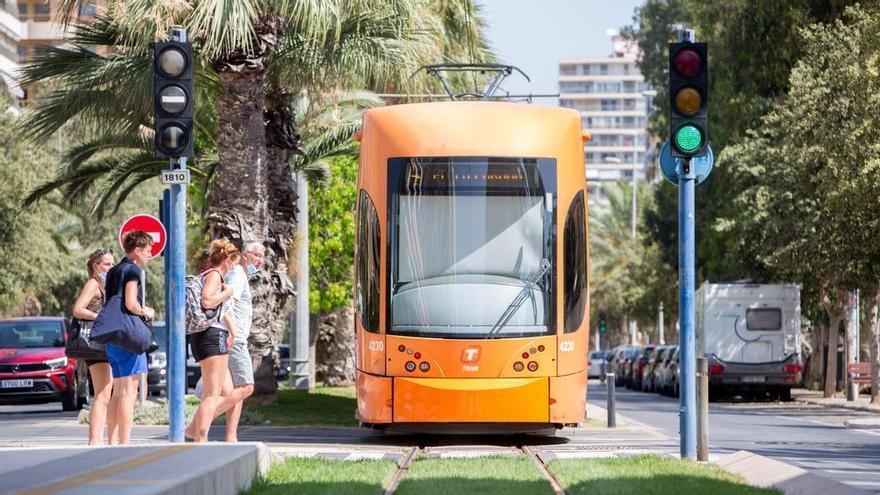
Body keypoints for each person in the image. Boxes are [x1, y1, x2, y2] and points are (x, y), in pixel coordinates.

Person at [208, 241, 264, 441]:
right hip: (235, 339)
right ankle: (200, 423)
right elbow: (226, 304)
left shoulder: (240, 276)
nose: (260, 260)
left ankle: (231, 436)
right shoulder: (238, 275)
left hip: (233, 338)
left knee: (234, 391)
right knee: (246, 387)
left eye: (262, 256)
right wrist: (233, 332)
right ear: (245, 254)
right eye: (257, 255)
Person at [104, 231, 155, 445]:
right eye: (148, 250)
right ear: (137, 250)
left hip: (112, 336)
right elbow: (131, 303)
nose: (150, 255)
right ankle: (125, 442)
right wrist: (147, 312)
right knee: (128, 393)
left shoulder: (114, 270)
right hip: (129, 338)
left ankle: (113, 440)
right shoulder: (132, 271)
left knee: (117, 391)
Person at [186, 238, 239, 442]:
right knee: (212, 393)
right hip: (212, 335)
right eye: (234, 261)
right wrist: (227, 293)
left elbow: (221, 312)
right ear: (227, 260)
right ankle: (200, 438)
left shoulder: (209, 275)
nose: (234, 266)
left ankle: (195, 431)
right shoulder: (215, 275)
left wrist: (232, 333)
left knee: (227, 392)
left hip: (207, 335)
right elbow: (207, 300)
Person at [72, 248, 115, 445]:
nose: (110, 267)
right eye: (107, 263)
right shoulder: (93, 284)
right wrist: (99, 316)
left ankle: (100, 438)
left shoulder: (105, 285)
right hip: (94, 344)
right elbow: (78, 309)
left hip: (104, 342)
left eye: (112, 263)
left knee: (106, 393)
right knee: (102, 393)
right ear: (95, 266)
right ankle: (94, 439)